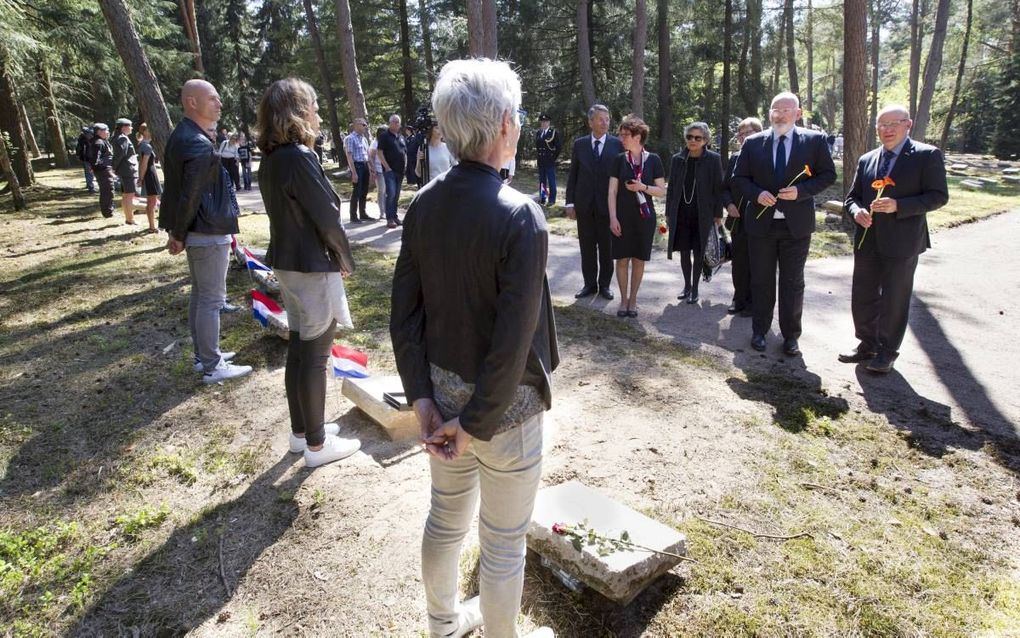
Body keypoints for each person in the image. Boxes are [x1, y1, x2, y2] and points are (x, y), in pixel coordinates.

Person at [391, 58, 557, 638]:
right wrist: (473, 423)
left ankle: (442, 626)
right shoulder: (522, 216)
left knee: (445, 521)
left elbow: (402, 319)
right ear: (506, 123)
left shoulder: (424, 204)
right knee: (503, 541)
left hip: (443, 395)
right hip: (503, 411)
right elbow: (512, 348)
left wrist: (424, 403)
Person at [256, 78, 362, 466]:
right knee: (315, 355)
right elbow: (327, 217)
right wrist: (345, 258)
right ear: (298, 112)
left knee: (301, 350)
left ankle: (302, 433)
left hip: (288, 263)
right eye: (313, 106)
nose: (317, 114)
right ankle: (317, 445)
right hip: (311, 265)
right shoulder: (298, 156)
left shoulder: (272, 158)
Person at [841, 105, 949, 373]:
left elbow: (938, 196)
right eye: (881, 125)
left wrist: (899, 205)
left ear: (908, 124)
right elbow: (851, 198)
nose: (887, 130)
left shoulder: (926, 155)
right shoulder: (867, 159)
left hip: (903, 241)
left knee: (895, 297)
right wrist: (857, 212)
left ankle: (887, 351)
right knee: (863, 294)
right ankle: (867, 343)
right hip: (868, 238)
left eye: (893, 124)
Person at [159, 79, 252, 384]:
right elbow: (190, 194)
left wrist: (178, 231)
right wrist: (179, 233)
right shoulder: (196, 142)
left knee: (201, 297)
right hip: (207, 231)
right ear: (192, 102)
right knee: (211, 299)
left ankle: (204, 356)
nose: (219, 104)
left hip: (200, 230)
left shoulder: (185, 136)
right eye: (213, 98)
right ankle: (212, 366)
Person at [732, 91, 837, 355]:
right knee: (761, 280)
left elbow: (827, 175)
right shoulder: (753, 143)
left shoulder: (814, 141)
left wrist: (802, 191)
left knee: (792, 282)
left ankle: (791, 336)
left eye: (786, 110)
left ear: (798, 114)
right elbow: (739, 178)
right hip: (760, 225)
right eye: (774, 109)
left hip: (796, 226)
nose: (779, 114)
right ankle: (759, 331)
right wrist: (756, 194)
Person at [607, 114, 666, 318]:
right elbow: (612, 192)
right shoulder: (618, 160)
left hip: (644, 218)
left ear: (638, 136)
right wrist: (613, 218)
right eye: (621, 134)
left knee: (639, 260)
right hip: (621, 217)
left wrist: (643, 187)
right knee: (621, 260)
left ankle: (633, 300)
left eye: (625, 135)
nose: (621, 138)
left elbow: (661, 191)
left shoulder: (654, 160)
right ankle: (623, 300)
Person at [565, 104, 624, 301]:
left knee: (607, 248)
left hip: (608, 206)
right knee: (587, 247)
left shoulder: (617, 144)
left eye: (607, 119)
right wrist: (570, 203)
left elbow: (621, 177)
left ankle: (605, 286)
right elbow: (573, 174)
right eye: (601, 119)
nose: (605, 123)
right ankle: (589, 284)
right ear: (590, 122)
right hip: (584, 206)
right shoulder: (580, 144)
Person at [664, 122, 724, 305]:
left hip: (703, 213)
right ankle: (687, 286)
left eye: (698, 138)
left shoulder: (713, 159)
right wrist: (668, 212)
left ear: (705, 140)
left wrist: (717, 213)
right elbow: (672, 187)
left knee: (699, 251)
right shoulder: (678, 159)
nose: (693, 141)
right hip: (681, 212)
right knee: (683, 251)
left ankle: (696, 288)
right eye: (689, 137)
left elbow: (717, 188)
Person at [721, 117, 764, 316]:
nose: (741, 138)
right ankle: (738, 299)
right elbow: (725, 188)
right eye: (739, 134)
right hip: (737, 220)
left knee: (758, 264)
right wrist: (729, 204)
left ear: (758, 133)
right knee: (739, 263)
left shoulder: (767, 156)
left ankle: (753, 303)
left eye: (745, 133)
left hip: (761, 221)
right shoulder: (735, 158)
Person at [378, 114, 407, 228]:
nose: (396, 123)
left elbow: (404, 152)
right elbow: (379, 152)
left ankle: (395, 216)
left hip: (400, 171)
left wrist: (405, 165)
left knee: (397, 195)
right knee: (391, 193)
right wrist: (387, 167)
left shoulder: (401, 137)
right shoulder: (384, 136)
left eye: (398, 122)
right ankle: (389, 218)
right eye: (394, 121)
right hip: (390, 171)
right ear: (389, 123)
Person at [344, 117, 372, 222]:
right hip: (357, 166)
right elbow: (349, 156)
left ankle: (363, 213)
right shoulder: (350, 138)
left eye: (366, 125)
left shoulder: (364, 139)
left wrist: (372, 168)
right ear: (356, 125)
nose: (365, 127)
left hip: (364, 166)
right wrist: (354, 173)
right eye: (363, 125)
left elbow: (367, 155)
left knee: (364, 191)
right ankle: (353, 216)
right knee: (357, 191)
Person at [111, 118, 139, 225]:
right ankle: (130, 219)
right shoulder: (122, 139)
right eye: (130, 126)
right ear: (123, 127)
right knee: (129, 195)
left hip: (125, 170)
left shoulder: (118, 137)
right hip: (128, 170)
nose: (131, 128)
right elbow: (120, 155)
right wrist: (114, 167)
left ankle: (128, 217)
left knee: (126, 195)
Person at [135, 122, 161, 234]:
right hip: (149, 174)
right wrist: (141, 178)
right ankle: (152, 226)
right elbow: (143, 163)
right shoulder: (146, 146)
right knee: (151, 201)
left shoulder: (142, 144)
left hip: (149, 174)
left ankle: (152, 225)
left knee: (152, 201)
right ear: (144, 132)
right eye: (149, 130)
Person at [535, 113, 562, 206]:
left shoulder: (553, 132)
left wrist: (552, 158)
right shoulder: (539, 133)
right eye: (542, 122)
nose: (543, 123)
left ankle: (551, 200)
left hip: (549, 161)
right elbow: (538, 147)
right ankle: (542, 198)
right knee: (542, 181)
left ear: (549, 122)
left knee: (551, 181)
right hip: (541, 161)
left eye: (545, 121)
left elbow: (558, 147)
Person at [91, 123, 115, 219]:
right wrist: (102, 166)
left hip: (105, 170)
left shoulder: (102, 141)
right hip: (103, 171)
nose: (108, 132)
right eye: (106, 130)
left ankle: (108, 210)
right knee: (107, 190)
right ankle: (107, 212)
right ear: (99, 131)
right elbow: (95, 159)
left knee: (108, 190)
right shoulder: (98, 143)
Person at [369, 126, 387, 218]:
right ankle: (382, 212)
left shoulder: (387, 142)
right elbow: (371, 157)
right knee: (382, 191)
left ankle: (389, 211)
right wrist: (373, 170)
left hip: (387, 170)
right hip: (379, 170)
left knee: (388, 191)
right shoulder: (375, 143)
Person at [75, 126, 96, 193]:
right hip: (88, 158)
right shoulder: (84, 139)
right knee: (89, 172)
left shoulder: (82, 139)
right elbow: (79, 148)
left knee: (88, 172)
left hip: (87, 158)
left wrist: (78, 155)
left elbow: (79, 148)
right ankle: (90, 187)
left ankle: (89, 185)